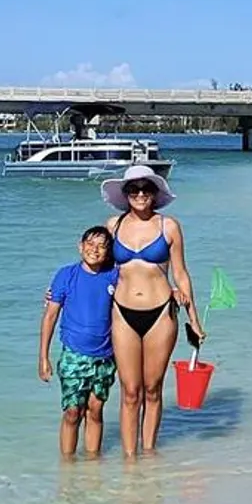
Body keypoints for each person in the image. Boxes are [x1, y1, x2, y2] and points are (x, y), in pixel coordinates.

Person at [103, 162, 202, 457]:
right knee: (130, 391)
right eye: (134, 189)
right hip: (122, 313)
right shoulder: (113, 226)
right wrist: (61, 292)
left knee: (152, 388)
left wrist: (194, 319)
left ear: (156, 193)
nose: (141, 194)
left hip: (161, 313)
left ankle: (149, 455)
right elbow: (97, 268)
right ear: (126, 194)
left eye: (147, 189)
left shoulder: (168, 226)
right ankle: (129, 460)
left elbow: (181, 274)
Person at [39, 224, 120, 459]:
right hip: (74, 354)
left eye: (102, 246)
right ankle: (67, 465)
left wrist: (173, 291)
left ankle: (92, 465)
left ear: (109, 251)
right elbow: (50, 315)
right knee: (73, 411)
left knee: (95, 410)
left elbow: (141, 286)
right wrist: (43, 357)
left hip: (105, 356)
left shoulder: (114, 275)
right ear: (80, 246)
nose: (95, 250)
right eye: (90, 244)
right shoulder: (66, 275)